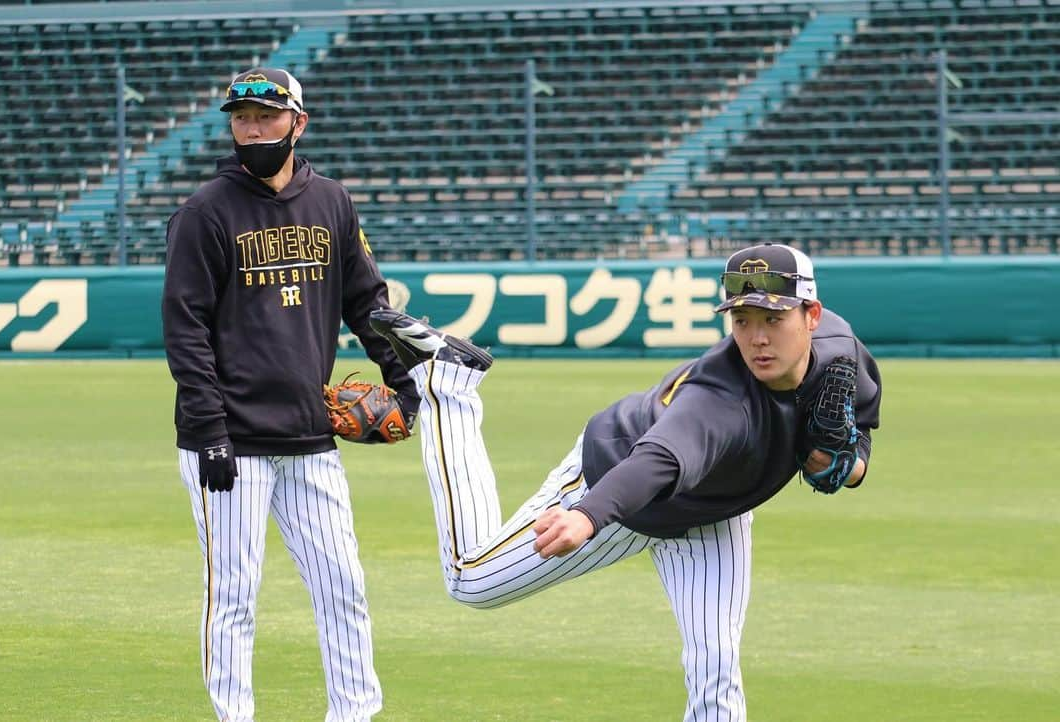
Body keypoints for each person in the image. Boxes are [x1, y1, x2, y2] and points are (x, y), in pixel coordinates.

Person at [367, 242, 881, 722]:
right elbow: (658, 459)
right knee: (472, 583)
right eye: (742, 321)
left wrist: (840, 465)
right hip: (617, 480)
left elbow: (857, 447)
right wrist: (587, 515)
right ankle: (452, 383)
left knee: (716, 665)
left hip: (713, 510)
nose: (758, 338)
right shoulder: (720, 400)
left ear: (811, 316)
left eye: (773, 318)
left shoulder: (840, 355)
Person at [161, 67, 417, 722]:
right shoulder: (204, 213)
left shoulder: (331, 201)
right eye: (241, 117)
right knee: (234, 599)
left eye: (266, 116)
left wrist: (403, 382)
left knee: (344, 588)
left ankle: (355, 714)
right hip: (230, 446)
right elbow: (184, 331)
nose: (252, 128)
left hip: (310, 436)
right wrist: (209, 430)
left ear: (297, 122)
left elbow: (369, 305)